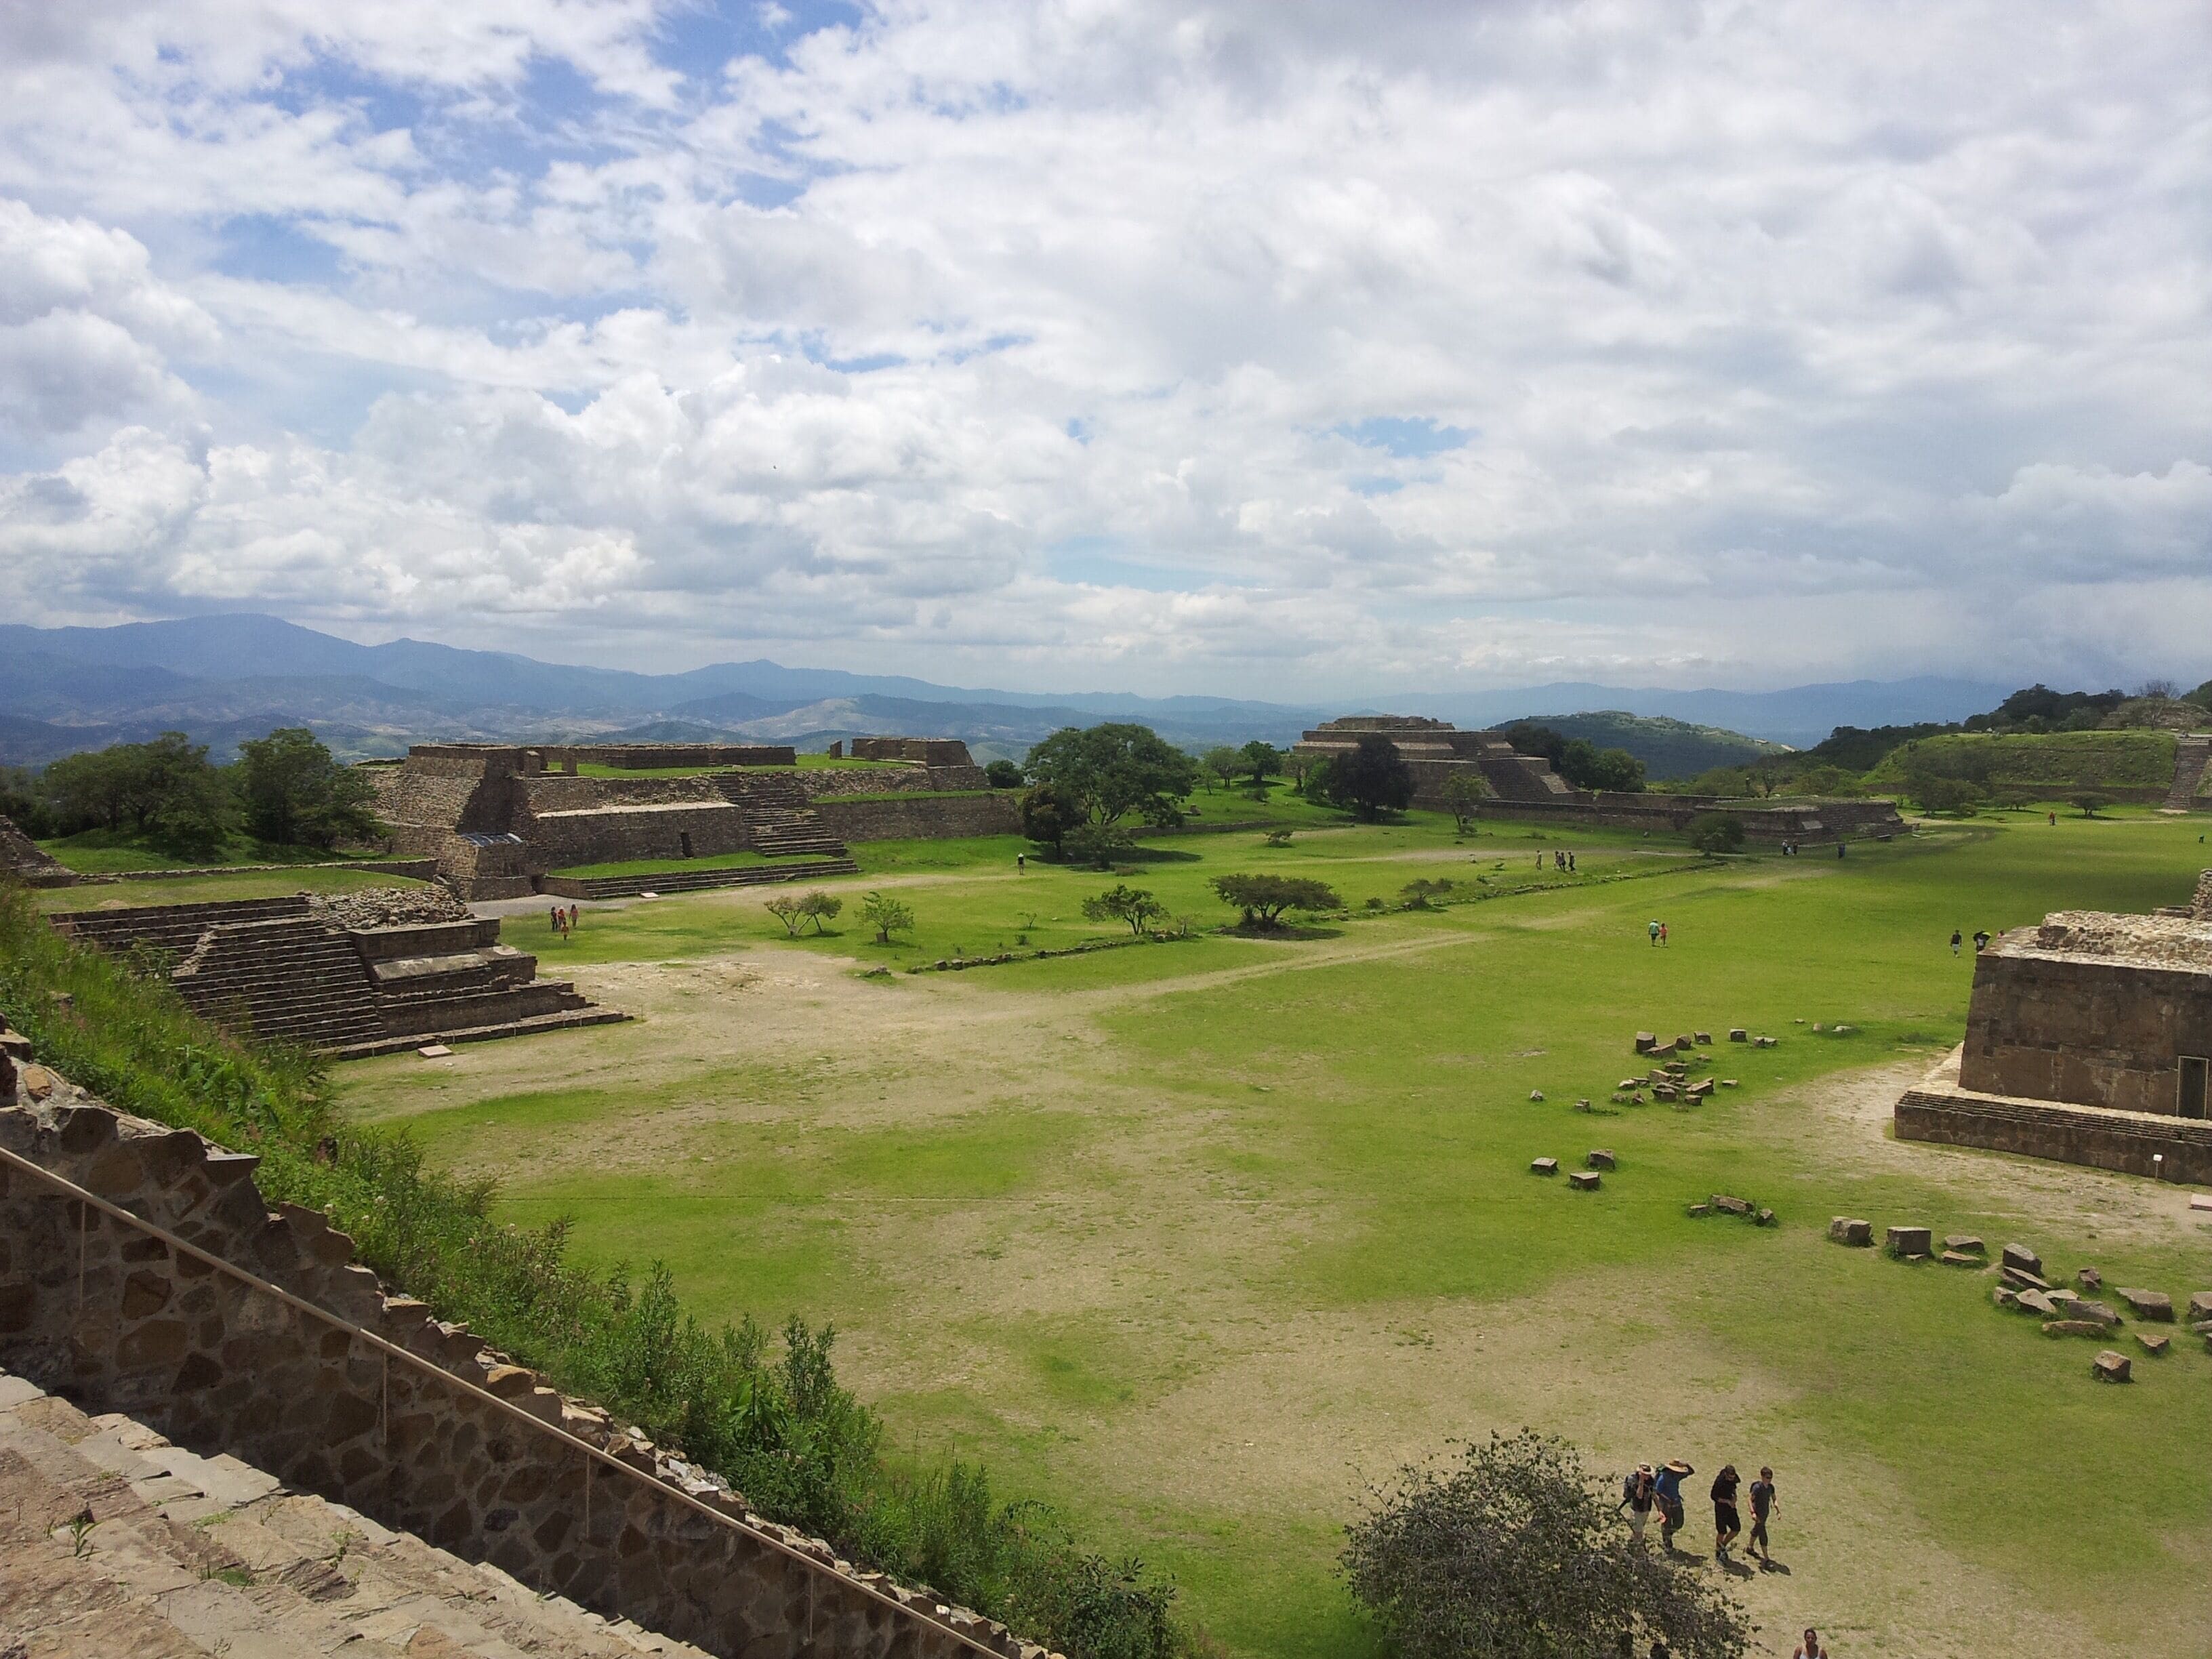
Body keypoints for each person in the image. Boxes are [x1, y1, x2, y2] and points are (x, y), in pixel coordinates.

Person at [1654, 1459, 1692, 1548]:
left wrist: (1687, 1464)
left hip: (1677, 1502)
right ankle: (1667, 1543)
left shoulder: (1677, 1475)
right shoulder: (1664, 1477)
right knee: (1666, 1524)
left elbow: (1691, 1472)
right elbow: (1658, 1491)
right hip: (1666, 1505)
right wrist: (1668, 1499)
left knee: (1679, 1523)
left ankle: (1668, 1535)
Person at [1619, 1464, 1656, 1544]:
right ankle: (1638, 1549)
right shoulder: (1633, 1480)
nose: (1647, 1476)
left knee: (1638, 1530)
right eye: (1645, 1475)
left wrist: (1660, 1510)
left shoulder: (1651, 1481)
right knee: (1639, 1532)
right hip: (1636, 1510)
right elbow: (1639, 1495)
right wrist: (1641, 1482)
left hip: (1646, 1509)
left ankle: (1632, 1544)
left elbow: (1654, 1495)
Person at [1711, 1464, 1742, 1558]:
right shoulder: (1720, 1482)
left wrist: (1735, 1498)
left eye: (1733, 1477)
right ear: (1725, 1474)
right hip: (1721, 1508)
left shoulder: (1733, 1479)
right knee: (1722, 1531)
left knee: (1736, 1528)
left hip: (1730, 1508)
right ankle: (1718, 1551)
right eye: (1730, 1477)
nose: (1731, 1479)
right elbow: (1714, 1497)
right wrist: (1727, 1501)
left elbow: (1734, 1489)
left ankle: (1723, 1545)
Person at [1748, 1466, 1777, 1563]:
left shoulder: (1770, 1488)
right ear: (1762, 1477)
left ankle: (1750, 1548)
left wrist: (1777, 1507)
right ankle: (1766, 1558)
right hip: (1758, 1514)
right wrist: (1753, 1512)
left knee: (1757, 1530)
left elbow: (1774, 1498)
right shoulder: (1758, 1488)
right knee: (1763, 1534)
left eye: (1770, 1478)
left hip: (1765, 1514)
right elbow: (1749, 1500)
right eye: (1767, 1478)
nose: (1769, 1480)